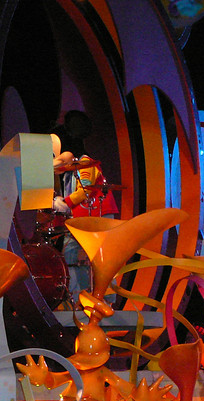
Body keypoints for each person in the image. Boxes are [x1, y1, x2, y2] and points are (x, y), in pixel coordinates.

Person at [51, 110, 120, 301]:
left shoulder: (85, 162)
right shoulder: (69, 173)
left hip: (97, 215)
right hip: (83, 217)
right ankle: (78, 296)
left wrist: (65, 203)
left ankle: (103, 298)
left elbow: (86, 189)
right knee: (72, 255)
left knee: (98, 257)